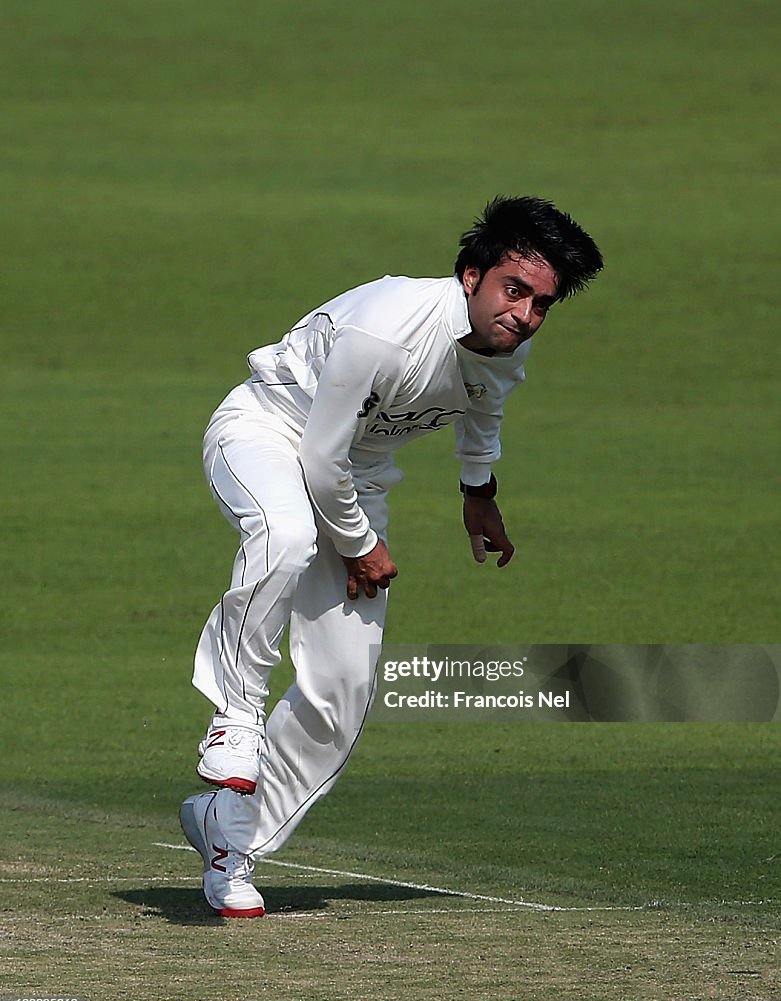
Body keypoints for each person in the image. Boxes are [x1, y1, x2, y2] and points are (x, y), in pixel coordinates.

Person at [179, 196, 604, 917]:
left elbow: (482, 405)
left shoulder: (506, 341)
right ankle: (236, 717)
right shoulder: (384, 328)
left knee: (342, 688)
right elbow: (316, 455)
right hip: (267, 434)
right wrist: (360, 544)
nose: (524, 315)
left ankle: (230, 836)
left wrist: (479, 492)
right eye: (513, 290)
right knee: (283, 537)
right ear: (470, 275)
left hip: (354, 478)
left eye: (541, 304)